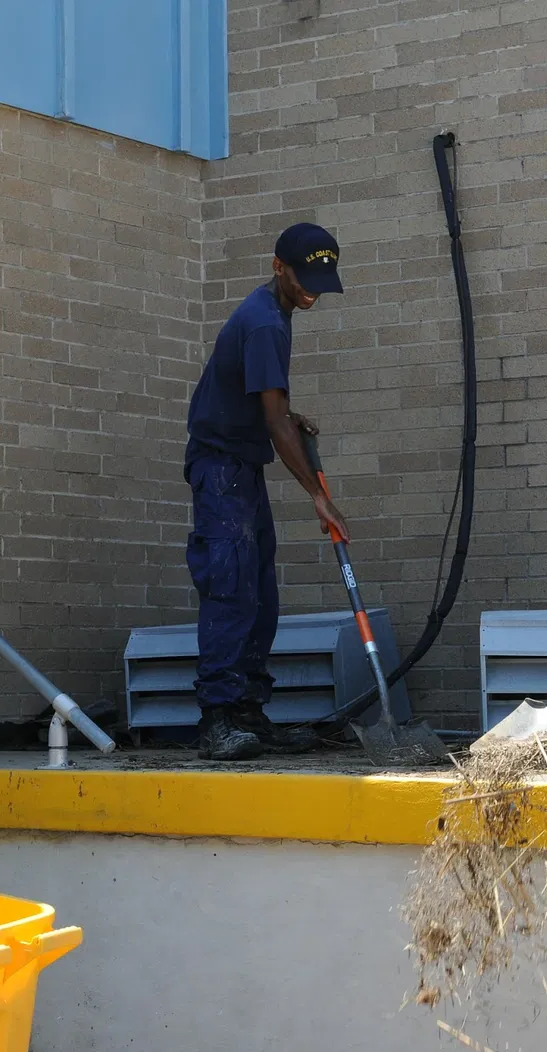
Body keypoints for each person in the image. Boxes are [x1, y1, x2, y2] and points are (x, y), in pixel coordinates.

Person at [183, 222, 351, 760]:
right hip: (222, 471)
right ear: (278, 266)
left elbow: (266, 405)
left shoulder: (275, 310)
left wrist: (283, 414)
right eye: (304, 278)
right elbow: (274, 423)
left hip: (240, 468)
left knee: (260, 595)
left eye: (320, 280)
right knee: (232, 590)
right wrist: (317, 497)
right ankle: (218, 719)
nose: (312, 291)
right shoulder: (265, 324)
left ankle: (249, 713)